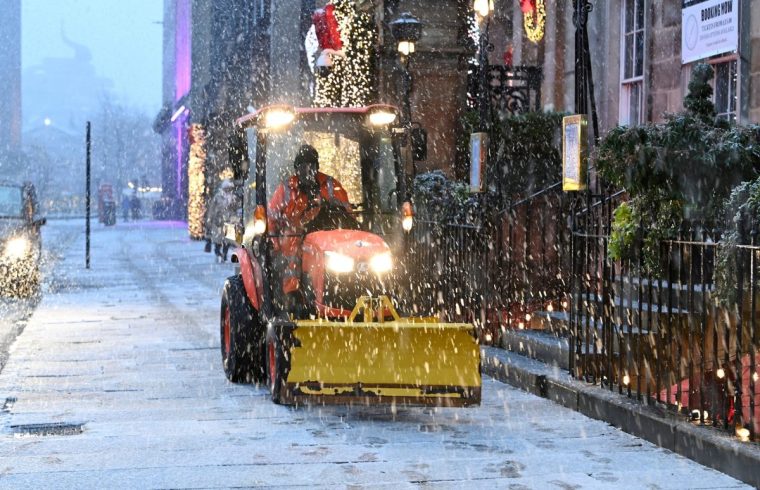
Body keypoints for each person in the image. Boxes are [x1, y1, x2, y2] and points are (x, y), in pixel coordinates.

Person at [268, 144, 349, 297]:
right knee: (291, 248)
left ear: (316, 167)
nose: (306, 171)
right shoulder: (286, 189)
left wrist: (331, 208)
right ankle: (292, 294)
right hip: (295, 235)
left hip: (327, 234)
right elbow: (271, 218)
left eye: (310, 166)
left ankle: (344, 291)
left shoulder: (330, 185)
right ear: (296, 168)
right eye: (302, 166)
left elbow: (347, 213)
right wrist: (274, 243)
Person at [206, 179, 241, 262]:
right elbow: (212, 208)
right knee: (218, 240)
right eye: (227, 188)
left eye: (229, 188)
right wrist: (210, 219)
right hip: (218, 221)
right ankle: (218, 253)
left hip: (229, 221)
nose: (228, 190)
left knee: (227, 241)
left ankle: (224, 255)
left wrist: (236, 218)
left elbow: (236, 209)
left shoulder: (233, 198)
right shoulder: (217, 197)